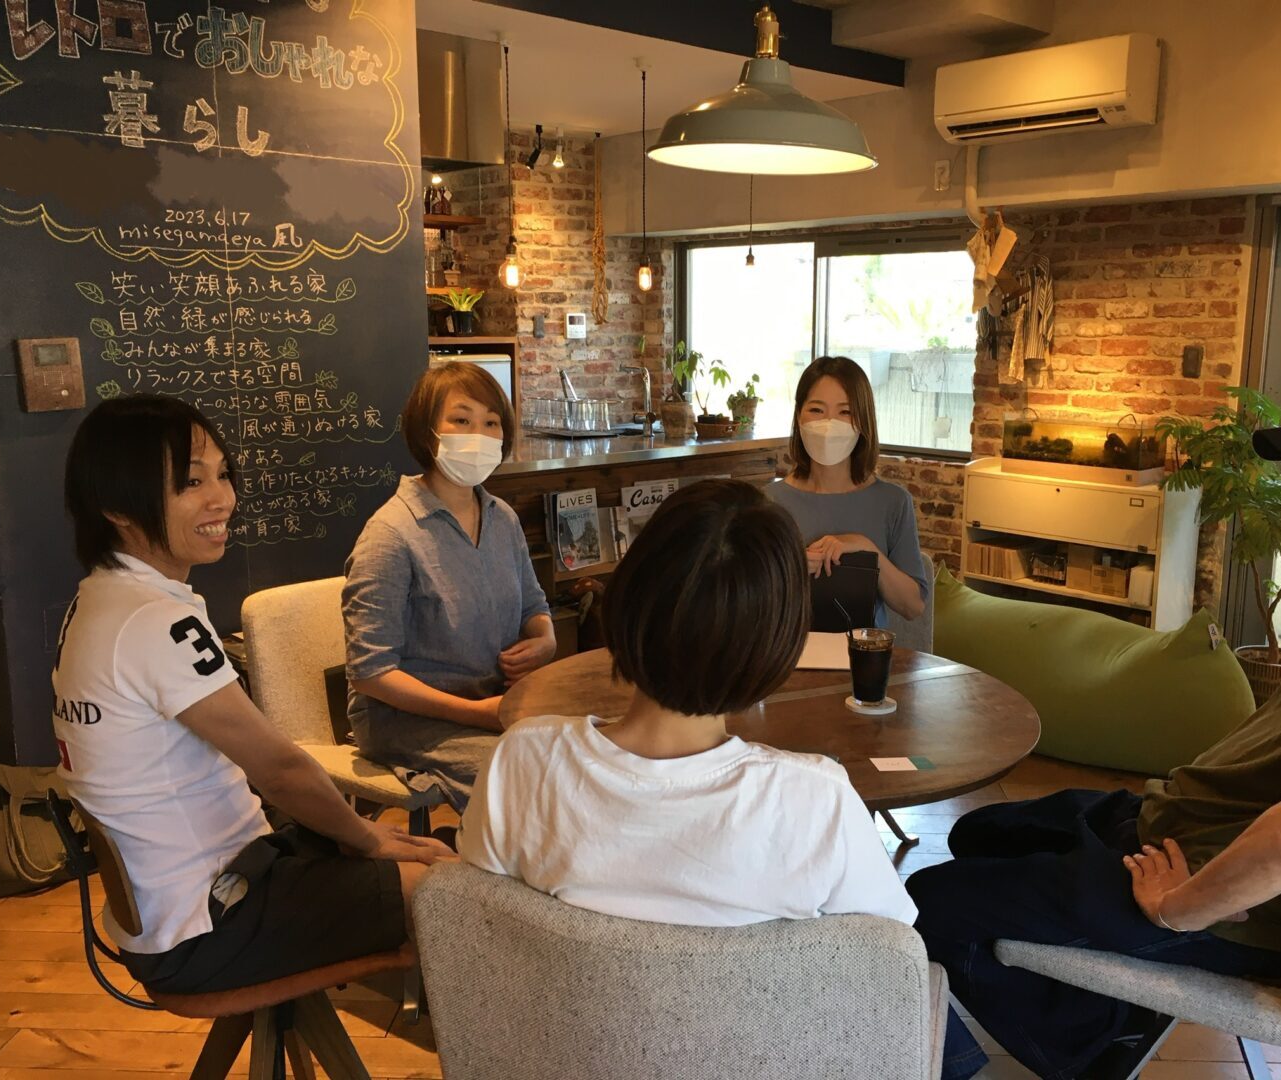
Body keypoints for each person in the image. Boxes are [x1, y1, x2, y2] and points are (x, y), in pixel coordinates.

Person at [457, 479, 985, 1071]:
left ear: (627, 596)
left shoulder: (521, 762)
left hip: (574, 1055)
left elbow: (487, 924)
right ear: (778, 642)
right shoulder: (815, 798)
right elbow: (888, 961)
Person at [53, 396, 453, 995]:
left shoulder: (98, 599)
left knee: (429, 853)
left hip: (186, 899)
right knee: (454, 891)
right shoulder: (154, 621)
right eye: (191, 482)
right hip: (207, 924)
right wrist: (367, 836)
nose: (222, 499)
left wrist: (356, 836)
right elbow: (280, 769)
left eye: (223, 474)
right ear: (116, 506)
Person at [906, 693, 1281, 1080]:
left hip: (1209, 898)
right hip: (1160, 818)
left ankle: (1095, 1053)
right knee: (977, 833)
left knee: (929, 906)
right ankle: (1101, 1011)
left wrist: (1177, 909)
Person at [343, 363, 555, 811]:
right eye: (461, 419)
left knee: (586, 753)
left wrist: (545, 640)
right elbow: (370, 673)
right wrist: (479, 713)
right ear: (427, 431)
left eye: (491, 423)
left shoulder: (502, 518)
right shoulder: (391, 534)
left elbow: (534, 608)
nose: (479, 435)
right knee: (532, 776)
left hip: (491, 701)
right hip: (405, 720)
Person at [765, 355, 927, 628]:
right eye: (817, 410)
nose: (829, 423)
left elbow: (913, 606)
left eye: (845, 412)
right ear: (799, 416)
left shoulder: (893, 502)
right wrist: (791, 570)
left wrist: (866, 549)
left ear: (863, 421)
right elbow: (747, 605)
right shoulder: (770, 502)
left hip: (863, 653)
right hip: (789, 652)